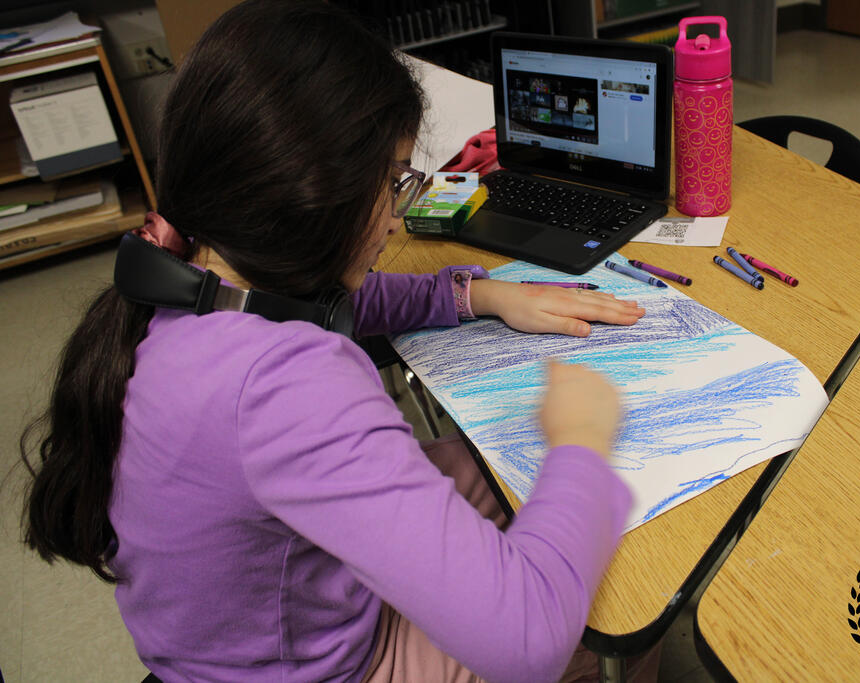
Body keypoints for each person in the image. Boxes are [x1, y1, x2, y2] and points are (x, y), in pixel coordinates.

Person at [20, 1, 661, 681]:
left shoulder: (195, 276)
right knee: (622, 617)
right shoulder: (286, 385)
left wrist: (480, 295)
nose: (396, 218)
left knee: (498, 467)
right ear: (316, 197)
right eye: (395, 181)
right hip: (313, 668)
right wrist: (580, 440)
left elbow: (341, 302)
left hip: (251, 629)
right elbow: (527, 640)